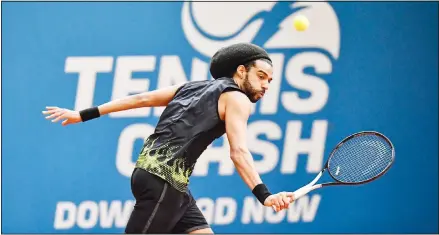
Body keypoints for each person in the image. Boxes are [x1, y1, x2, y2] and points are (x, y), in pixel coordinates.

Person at [43, 43, 295, 234]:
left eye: (270, 81)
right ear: (241, 71)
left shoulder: (190, 87)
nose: (266, 85)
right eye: (261, 76)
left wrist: (82, 114)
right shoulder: (237, 99)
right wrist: (264, 195)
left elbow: (139, 99)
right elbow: (238, 152)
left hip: (159, 179)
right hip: (164, 182)